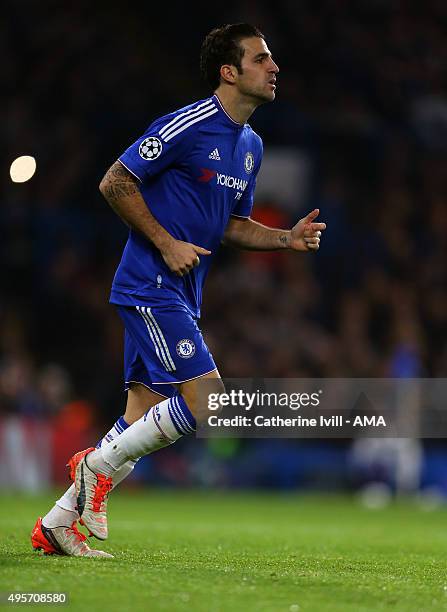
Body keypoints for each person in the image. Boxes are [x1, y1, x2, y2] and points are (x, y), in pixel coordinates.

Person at [31, 23, 326, 557]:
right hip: (150, 283)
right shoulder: (189, 124)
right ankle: (92, 467)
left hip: (184, 292)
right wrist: (166, 243)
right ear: (229, 71)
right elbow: (115, 181)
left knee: (141, 416)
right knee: (208, 402)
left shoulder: (251, 146)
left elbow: (232, 224)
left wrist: (285, 238)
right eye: (261, 59)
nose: (274, 67)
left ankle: (56, 524)